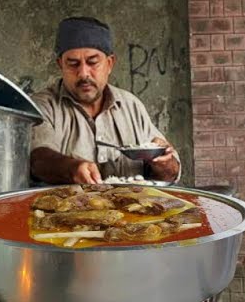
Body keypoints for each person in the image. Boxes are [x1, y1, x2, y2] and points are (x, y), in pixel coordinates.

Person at [29, 16, 180, 185]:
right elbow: (37, 159)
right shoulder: (42, 106)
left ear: (109, 64)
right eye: (73, 64)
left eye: (93, 62)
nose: (84, 73)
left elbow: (170, 173)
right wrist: (72, 169)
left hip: (132, 209)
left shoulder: (131, 106)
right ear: (60, 65)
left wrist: (164, 163)